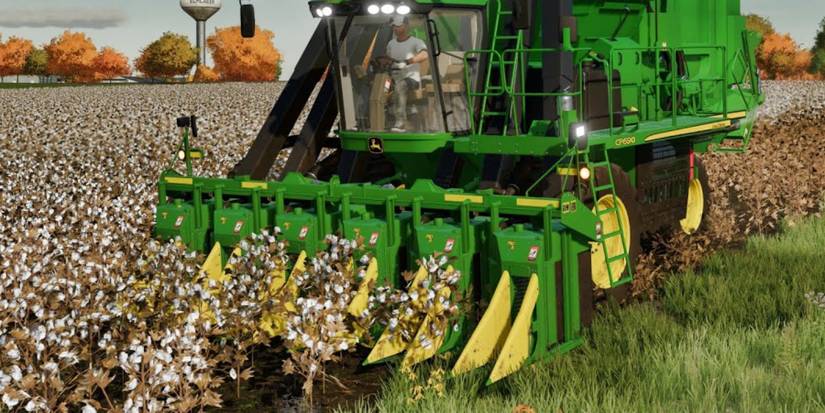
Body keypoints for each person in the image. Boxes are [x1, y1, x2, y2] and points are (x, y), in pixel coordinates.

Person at [381, 16, 429, 132]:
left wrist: (406, 62)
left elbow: (424, 55)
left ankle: (400, 122)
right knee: (380, 88)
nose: (395, 29)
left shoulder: (416, 42)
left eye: (398, 26)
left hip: (411, 79)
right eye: (394, 26)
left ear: (406, 26)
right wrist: (385, 62)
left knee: (400, 86)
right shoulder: (391, 43)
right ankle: (378, 120)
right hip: (393, 78)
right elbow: (388, 58)